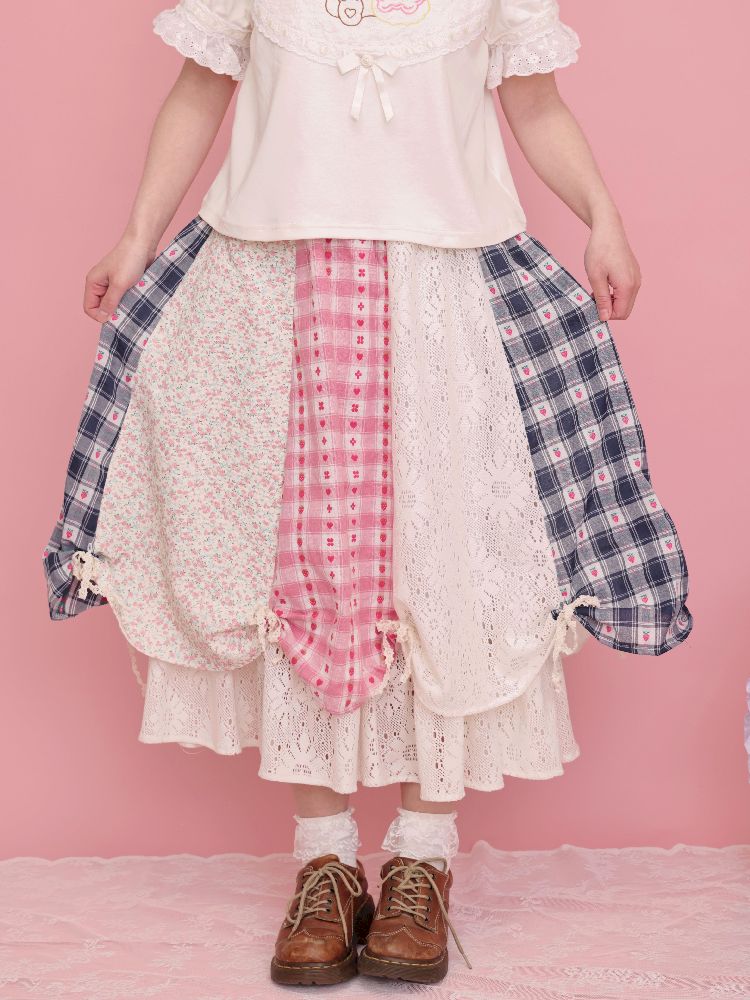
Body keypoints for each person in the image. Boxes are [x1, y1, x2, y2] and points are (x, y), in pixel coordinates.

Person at [42, 0, 692, 986]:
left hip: (447, 292)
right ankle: (326, 865)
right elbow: (199, 89)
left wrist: (605, 217)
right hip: (270, 280)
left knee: (449, 565)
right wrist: (136, 238)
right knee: (297, 566)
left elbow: (536, 103)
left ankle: (422, 861)